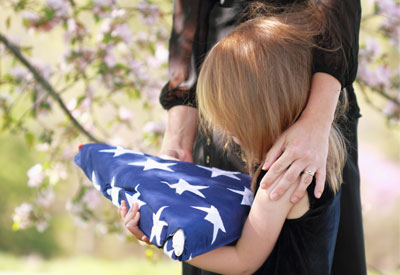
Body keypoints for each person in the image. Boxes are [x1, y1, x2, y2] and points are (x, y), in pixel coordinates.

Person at [120, 4, 349, 273]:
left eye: (231, 117)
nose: (225, 129)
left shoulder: (281, 179)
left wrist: (164, 238)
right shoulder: (319, 159)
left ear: (261, 112)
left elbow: (241, 262)